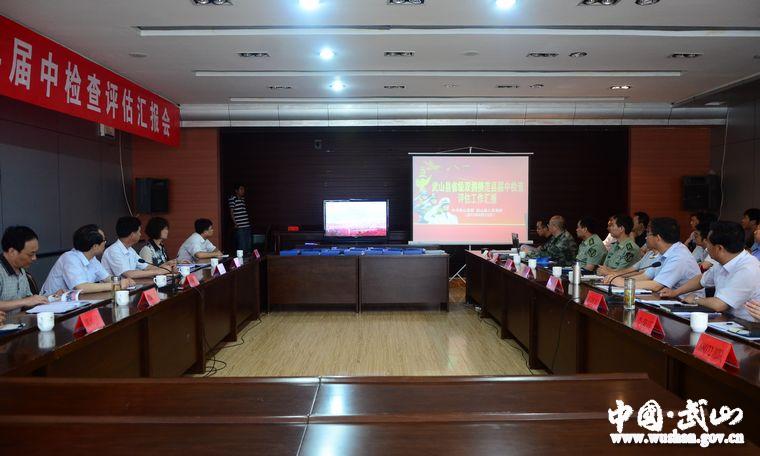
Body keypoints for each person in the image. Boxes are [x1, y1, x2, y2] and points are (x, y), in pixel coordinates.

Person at [660, 221, 760, 321]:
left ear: (719, 248)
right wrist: (675, 292)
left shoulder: (748, 269)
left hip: (745, 325)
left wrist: (695, 299)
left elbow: (719, 305)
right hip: (725, 319)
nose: (706, 247)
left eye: (708, 242)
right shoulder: (725, 260)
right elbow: (701, 280)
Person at [605, 217, 702, 298]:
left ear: (658, 238)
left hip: (688, 305)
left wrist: (623, 283)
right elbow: (645, 276)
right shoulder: (665, 252)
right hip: (668, 299)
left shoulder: (679, 256)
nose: (646, 237)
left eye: (648, 233)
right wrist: (618, 279)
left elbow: (656, 285)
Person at [42, 225, 135, 294]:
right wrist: (116, 285)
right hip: (51, 304)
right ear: (95, 246)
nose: (105, 243)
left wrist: (122, 280)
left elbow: (107, 278)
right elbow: (82, 287)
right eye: (104, 240)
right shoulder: (70, 258)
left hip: (74, 302)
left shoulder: (92, 258)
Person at [102, 216, 175, 278]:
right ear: (132, 234)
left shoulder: (130, 250)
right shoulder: (113, 251)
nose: (140, 234)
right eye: (139, 231)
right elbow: (129, 274)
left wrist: (165, 269)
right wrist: (159, 271)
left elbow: (147, 267)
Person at [0, 226, 48, 316]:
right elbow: (26, 301)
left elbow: (29, 300)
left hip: (21, 321)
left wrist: (50, 298)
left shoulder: (21, 269)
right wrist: (24, 301)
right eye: (30, 254)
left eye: (35, 253)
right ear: (12, 251)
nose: (34, 258)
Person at [228, 184, 253, 255]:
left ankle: (248, 258)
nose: (243, 191)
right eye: (241, 189)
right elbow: (231, 212)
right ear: (236, 191)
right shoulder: (233, 199)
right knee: (242, 244)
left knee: (248, 243)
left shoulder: (242, 199)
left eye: (243, 189)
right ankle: (242, 259)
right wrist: (235, 223)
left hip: (247, 225)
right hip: (240, 225)